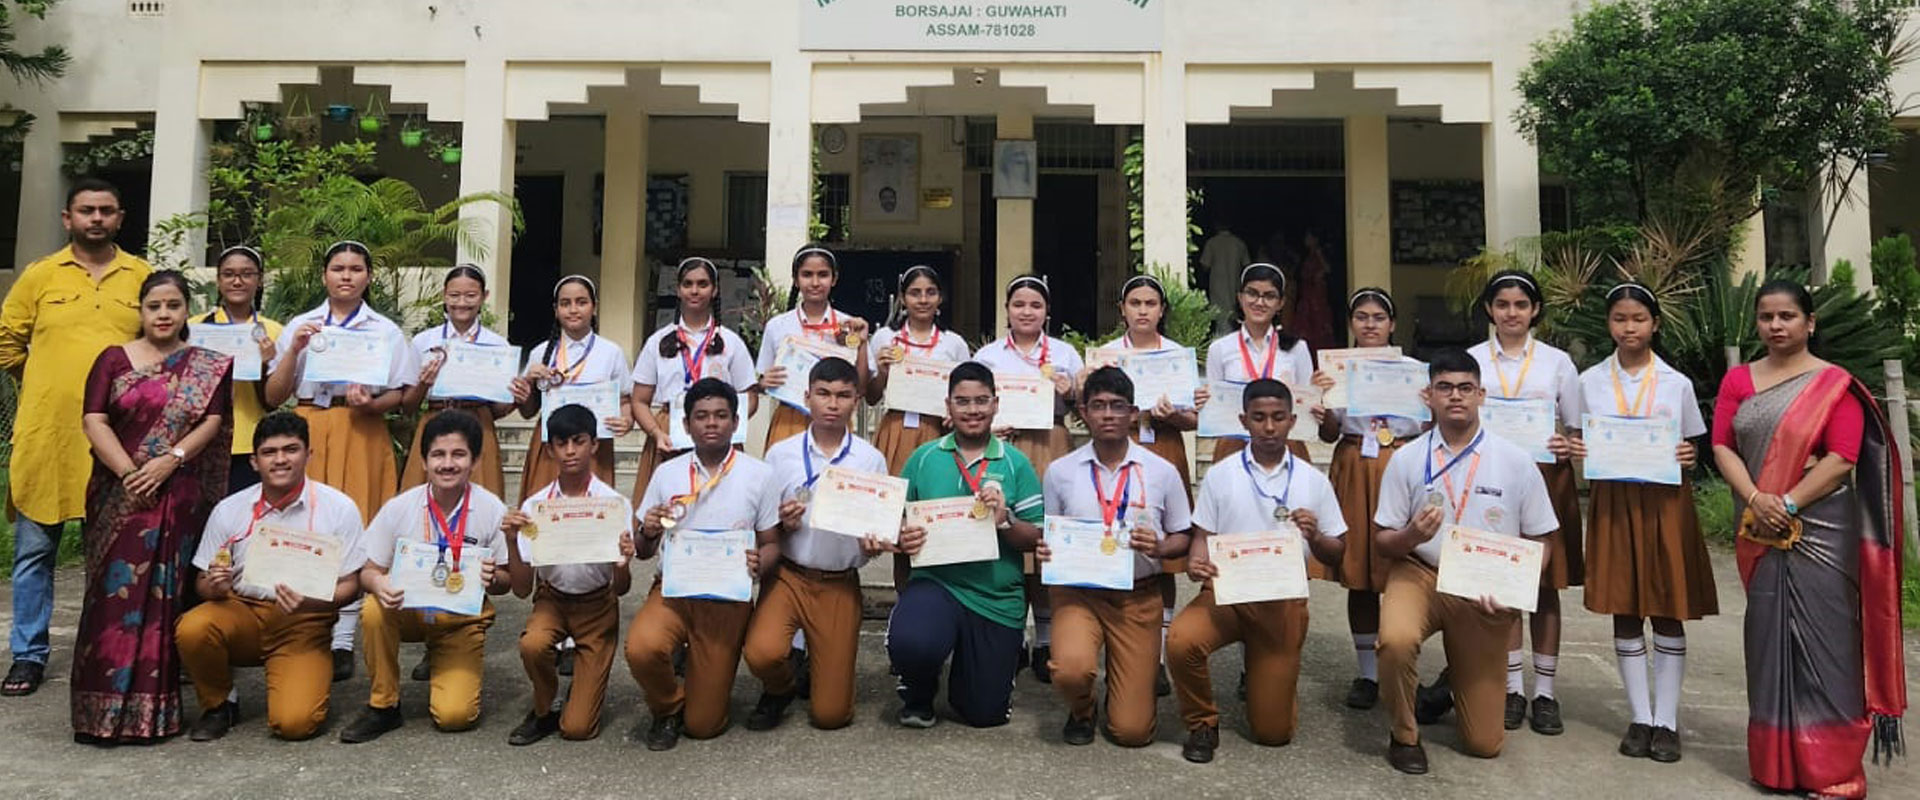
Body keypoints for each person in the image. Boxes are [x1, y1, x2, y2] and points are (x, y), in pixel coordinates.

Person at [1712, 280, 1906, 798]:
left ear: (1810, 323)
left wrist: (1788, 504)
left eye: (1787, 316)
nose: (1776, 325)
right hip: (1760, 527)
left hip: (1821, 529)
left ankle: (1835, 771)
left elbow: (1842, 458)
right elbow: (1722, 446)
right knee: (1766, 641)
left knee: (1828, 645)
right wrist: (1757, 499)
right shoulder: (1738, 381)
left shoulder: (1833, 385)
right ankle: (1775, 766)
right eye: (1766, 317)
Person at [0, 177, 151, 697]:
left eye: (106, 210)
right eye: (87, 210)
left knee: (110, 553)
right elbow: (7, 340)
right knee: (34, 552)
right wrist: (46, 382)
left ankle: (105, 649)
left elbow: (164, 343)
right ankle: (28, 654)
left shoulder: (141, 277)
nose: (96, 218)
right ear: (68, 218)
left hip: (118, 442)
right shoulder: (41, 275)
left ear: (120, 218)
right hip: (48, 437)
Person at [1373, 348, 1557, 775]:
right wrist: (1412, 536)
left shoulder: (1515, 461)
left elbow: (1541, 538)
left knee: (1484, 744)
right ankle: (1404, 735)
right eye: (1444, 388)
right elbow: (1383, 540)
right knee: (1396, 640)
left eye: (1465, 388)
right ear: (1429, 396)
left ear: (1481, 395)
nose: (1455, 396)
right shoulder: (1407, 458)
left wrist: (1517, 592)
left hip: (1483, 587)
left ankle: (1453, 682)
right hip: (1420, 572)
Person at [72, 270, 232, 744]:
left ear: (186, 311)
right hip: (117, 493)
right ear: (140, 310)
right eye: (154, 306)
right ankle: (96, 715)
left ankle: (151, 716)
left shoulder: (206, 366)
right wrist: (129, 472)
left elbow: (212, 421)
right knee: (109, 599)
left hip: (175, 493)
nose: (163, 314)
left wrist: (170, 460)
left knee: (164, 597)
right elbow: (94, 419)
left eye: (173, 306)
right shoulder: (113, 359)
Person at [265, 240, 423, 681]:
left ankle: (343, 639)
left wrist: (372, 403)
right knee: (308, 524)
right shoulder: (301, 325)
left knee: (359, 524)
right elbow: (273, 395)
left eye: (356, 269)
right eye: (338, 268)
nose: (347, 276)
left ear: (368, 276)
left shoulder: (385, 331)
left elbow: (401, 394)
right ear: (325, 275)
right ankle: (307, 628)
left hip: (362, 428)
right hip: (310, 424)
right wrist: (294, 350)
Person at [1569, 283, 1714, 762]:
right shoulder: (1589, 381)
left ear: (1655, 324)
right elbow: (1577, 435)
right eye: (1619, 318)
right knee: (1625, 605)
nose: (1629, 328)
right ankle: (1640, 718)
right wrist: (1578, 447)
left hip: (1665, 501)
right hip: (1614, 500)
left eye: (1638, 319)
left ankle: (1667, 722)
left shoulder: (1676, 383)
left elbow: (1691, 445)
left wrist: (1688, 455)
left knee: (1668, 604)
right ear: (1608, 324)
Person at [1170, 378, 1345, 763]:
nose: (1269, 427)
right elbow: (1202, 536)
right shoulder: (1222, 474)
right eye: (1259, 417)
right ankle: (1202, 722)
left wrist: (1316, 536)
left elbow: (1336, 552)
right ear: (1243, 420)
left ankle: (1273, 681)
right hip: (1226, 594)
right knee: (1181, 641)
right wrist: (1196, 564)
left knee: (1272, 734)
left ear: (1292, 421)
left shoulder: (1313, 480)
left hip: (1281, 602)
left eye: (1278, 418)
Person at [175, 411, 367, 741]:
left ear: (308, 455)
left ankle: (306, 672)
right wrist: (216, 587)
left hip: (304, 620)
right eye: (269, 452)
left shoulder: (339, 508)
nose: (280, 460)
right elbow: (202, 582)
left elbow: (352, 583)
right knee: (193, 628)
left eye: (290, 450)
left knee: (295, 724)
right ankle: (220, 703)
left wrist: (311, 603)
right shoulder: (229, 509)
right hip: (242, 610)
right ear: (254, 462)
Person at [1035, 366, 1192, 747]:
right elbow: (1051, 530)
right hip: (1078, 593)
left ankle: (1120, 697)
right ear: (1083, 413)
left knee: (1132, 732)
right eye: (1099, 405)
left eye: (1117, 406)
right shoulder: (1060, 471)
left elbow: (1183, 536)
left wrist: (1160, 547)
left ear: (1133, 413)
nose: (1108, 415)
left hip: (1138, 595)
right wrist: (1046, 548)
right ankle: (1082, 708)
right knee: (1070, 670)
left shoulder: (1162, 471)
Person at [626, 378, 780, 751]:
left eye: (721, 415)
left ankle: (693, 694)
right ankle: (667, 707)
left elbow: (773, 543)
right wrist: (647, 531)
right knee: (641, 648)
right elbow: (643, 550)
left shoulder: (759, 474)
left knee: (704, 725)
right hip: (674, 592)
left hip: (727, 598)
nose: (711, 423)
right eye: (702, 416)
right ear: (685, 424)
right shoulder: (667, 473)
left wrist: (759, 562)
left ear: (736, 422)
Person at [339, 411, 512, 743]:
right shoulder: (400, 507)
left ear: (475, 461)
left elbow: (508, 581)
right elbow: (368, 570)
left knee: (455, 717)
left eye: (458, 454)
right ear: (423, 461)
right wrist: (378, 583)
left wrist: (494, 578)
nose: (447, 464)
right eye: (438, 455)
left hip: (459, 619)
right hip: (409, 610)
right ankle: (383, 704)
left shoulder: (491, 509)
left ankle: (442, 657)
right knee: (374, 609)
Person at [888, 362, 1044, 729]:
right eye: (962, 401)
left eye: (981, 401)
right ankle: (918, 689)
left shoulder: (1016, 463)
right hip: (937, 584)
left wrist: (1004, 519)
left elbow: (1035, 536)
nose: (972, 410)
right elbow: (892, 521)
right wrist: (901, 537)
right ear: (948, 406)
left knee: (983, 713)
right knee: (914, 643)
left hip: (995, 595)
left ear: (995, 404)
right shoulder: (923, 457)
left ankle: (974, 677)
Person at [744, 357, 889, 731]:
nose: (832, 404)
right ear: (807, 397)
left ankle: (816, 670)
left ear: (856, 401)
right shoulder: (780, 454)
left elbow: (877, 527)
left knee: (830, 715)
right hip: (789, 576)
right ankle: (780, 687)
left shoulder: (870, 460)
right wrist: (783, 524)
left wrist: (873, 545)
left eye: (843, 395)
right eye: (823, 394)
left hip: (838, 581)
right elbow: (764, 525)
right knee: (761, 653)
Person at [1468, 269, 1582, 735]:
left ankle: (1546, 693)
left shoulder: (1557, 363)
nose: (1511, 313)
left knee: (1545, 586)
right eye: (1502, 305)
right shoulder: (1474, 360)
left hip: (1545, 479)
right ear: (1489, 309)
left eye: (1520, 305)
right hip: (1489, 478)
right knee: (1504, 582)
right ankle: (1513, 687)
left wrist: (1567, 444)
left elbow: (1575, 428)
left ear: (1535, 310)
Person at [1312, 288, 1425, 710]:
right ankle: (1368, 674)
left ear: (1392, 324)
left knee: (1405, 567)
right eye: (1362, 317)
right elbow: (1329, 434)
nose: (1371, 324)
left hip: (1403, 459)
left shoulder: (1414, 371)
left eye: (1379, 317)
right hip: (1356, 461)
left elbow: (1431, 426)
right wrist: (1323, 406)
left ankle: (1402, 666)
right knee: (1359, 569)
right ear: (1351, 323)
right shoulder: (1336, 369)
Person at [498, 404, 636, 745]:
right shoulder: (536, 507)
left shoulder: (613, 505)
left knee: (577, 729)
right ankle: (544, 706)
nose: (570, 451)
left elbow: (621, 588)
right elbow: (521, 589)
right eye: (561, 443)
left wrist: (622, 565)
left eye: (579, 441)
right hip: (553, 601)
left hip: (597, 606)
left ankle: (582, 690)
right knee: (533, 644)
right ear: (549, 450)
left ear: (595, 445)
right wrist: (511, 541)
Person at [971, 274, 1082, 682]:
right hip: (1003, 447)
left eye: (1036, 305)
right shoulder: (988, 356)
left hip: (1052, 445)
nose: (1027, 311)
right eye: (1019, 304)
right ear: (1007, 310)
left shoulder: (1066, 354)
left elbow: (1085, 407)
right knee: (1003, 532)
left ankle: (1047, 639)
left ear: (1047, 311)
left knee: (1045, 537)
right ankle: (1013, 635)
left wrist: (1071, 392)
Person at [1098, 273, 1200, 696]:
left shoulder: (1176, 357)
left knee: (1161, 552)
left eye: (1151, 303)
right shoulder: (1106, 357)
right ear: (1122, 309)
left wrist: (1172, 415)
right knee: (1114, 545)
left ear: (1162, 310)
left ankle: (1156, 657)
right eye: (1135, 303)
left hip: (1164, 451)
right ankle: (1115, 650)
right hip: (1114, 453)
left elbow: (1194, 420)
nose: (1143, 310)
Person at [631, 257, 757, 496]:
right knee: (667, 505)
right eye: (687, 284)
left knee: (723, 501)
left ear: (714, 290)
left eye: (702, 284)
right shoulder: (658, 341)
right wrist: (657, 433)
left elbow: (750, 396)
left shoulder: (731, 342)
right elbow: (639, 400)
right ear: (678, 290)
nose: (695, 290)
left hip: (719, 431)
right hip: (669, 434)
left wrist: (726, 423)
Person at [513, 275, 633, 503]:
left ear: (594, 307)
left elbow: (625, 400)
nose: (573, 310)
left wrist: (626, 421)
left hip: (593, 447)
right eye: (565, 303)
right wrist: (526, 385)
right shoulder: (541, 353)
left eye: (581, 302)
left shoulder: (611, 352)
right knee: (546, 509)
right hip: (551, 447)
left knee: (593, 509)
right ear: (556, 310)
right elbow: (528, 411)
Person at [399, 265, 515, 497]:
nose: (462, 303)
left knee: (481, 497)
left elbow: (499, 409)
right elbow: (408, 405)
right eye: (454, 295)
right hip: (434, 419)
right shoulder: (424, 341)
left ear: (484, 296)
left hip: (478, 423)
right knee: (425, 497)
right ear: (444, 295)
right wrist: (424, 383)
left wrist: (516, 398)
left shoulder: (497, 346)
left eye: (470, 295)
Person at [756, 244, 870, 449]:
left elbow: (861, 388)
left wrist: (861, 344)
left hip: (835, 421)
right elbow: (761, 381)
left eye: (823, 275)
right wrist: (763, 382)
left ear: (834, 279)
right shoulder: (778, 326)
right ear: (796, 279)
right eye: (807, 275)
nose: (815, 282)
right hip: (789, 420)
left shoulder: (850, 325)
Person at [1201, 263, 1314, 464]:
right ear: (1240, 297)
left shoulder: (1297, 349)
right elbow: (1215, 405)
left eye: (1269, 296)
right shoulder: (1220, 349)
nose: (1259, 302)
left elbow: (1306, 403)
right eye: (1252, 293)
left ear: (1280, 303)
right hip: (1234, 446)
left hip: (1286, 446)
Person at [866, 265, 972, 474]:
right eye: (915, 293)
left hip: (939, 429)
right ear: (903, 298)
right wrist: (882, 371)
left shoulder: (953, 343)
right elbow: (871, 397)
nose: (923, 300)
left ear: (940, 298)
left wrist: (956, 413)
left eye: (930, 292)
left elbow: (966, 393)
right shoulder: (885, 337)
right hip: (896, 427)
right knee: (895, 488)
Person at [197, 245, 281, 493]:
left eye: (246, 274)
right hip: (203, 440)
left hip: (252, 440)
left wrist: (265, 363)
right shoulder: (196, 328)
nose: (237, 281)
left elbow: (275, 399)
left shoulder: (275, 331)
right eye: (229, 274)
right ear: (218, 280)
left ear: (260, 280)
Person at [1200, 225, 1250, 333]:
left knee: (1220, 321)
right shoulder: (1239, 244)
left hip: (1217, 289)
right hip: (1235, 289)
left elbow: (1205, 266)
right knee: (1234, 320)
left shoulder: (1212, 243)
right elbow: (1247, 266)